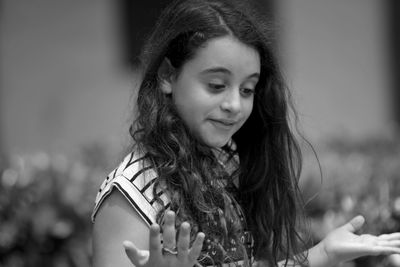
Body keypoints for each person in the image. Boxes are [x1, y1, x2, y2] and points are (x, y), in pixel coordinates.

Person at [91, 0, 400, 266]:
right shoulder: (129, 196)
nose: (234, 105)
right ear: (168, 76)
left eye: (247, 88)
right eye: (216, 85)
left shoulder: (221, 166)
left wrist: (324, 253)